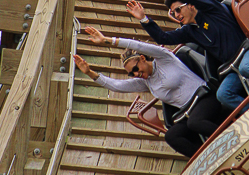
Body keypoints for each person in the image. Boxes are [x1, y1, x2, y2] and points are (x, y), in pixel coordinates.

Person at [73, 26, 224, 157]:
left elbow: (137, 45)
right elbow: (118, 86)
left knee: (194, 122)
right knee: (172, 136)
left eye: (135, 69)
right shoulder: (146, 82)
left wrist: (108, 40)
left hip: (204, 97)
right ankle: (207, 157)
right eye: (131, 73)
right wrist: (90, 73)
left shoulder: (164, 58)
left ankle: (229, 138)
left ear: (142, 58)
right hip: (188, 111)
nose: (136, 74)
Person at [128, 0, 249, 110]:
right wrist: (144, 19)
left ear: (190, 5)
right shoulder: (189, 31)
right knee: (223, 94)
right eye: (173, 13)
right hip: (233, 66)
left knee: (246, 67)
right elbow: (163, 38)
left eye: (178, 10)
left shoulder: (211, 9)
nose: (176, 15)